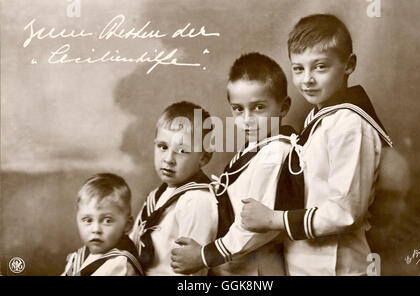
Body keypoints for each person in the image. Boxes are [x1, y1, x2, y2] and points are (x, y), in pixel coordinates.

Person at [240, 14, 394, 276]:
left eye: (320, 67)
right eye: (298, 68)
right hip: (305, 263)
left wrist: (272, 219)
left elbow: (345, 212)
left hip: (338, 267)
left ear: (349, 64)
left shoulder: (349, 124)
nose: (307, 79)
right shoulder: (321, 118)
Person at [170, 52, 295, 275]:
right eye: (238, 109)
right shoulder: (256, 147)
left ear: (283, 107)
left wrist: (204, 255)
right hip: (238, 264)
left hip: (258, 268)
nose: (247, 119)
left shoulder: (275, 153)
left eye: (258, 108)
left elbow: (258, 228)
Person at [128, 101, 218, 276]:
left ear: (204, 157)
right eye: (163, 147)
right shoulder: (157, 195)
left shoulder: (197, 200)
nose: (168, 159)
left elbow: (192, 273)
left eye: (182, 150)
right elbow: (132, 245)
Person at [62, 173, 144, 276]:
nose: (96, 229)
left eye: (107, 221)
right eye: (88, 220)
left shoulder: (120, 264)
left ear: (127, 225)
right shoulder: (79, 257)